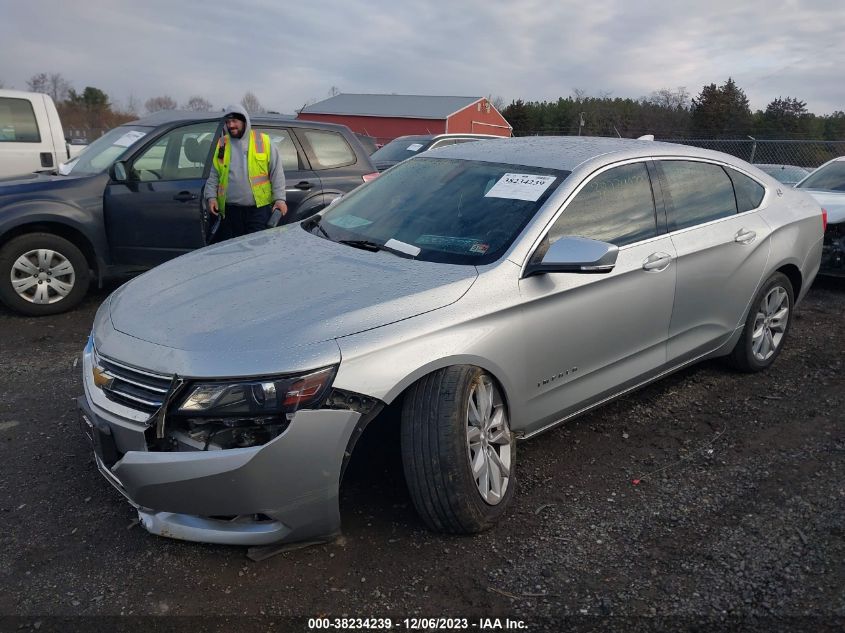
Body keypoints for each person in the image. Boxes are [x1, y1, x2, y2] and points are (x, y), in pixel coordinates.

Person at [204, 105, 287, 241]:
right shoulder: (222, 144)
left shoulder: (263, 141)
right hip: (229, 213)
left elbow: (276, 172)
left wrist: (279, 199)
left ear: (244, 121)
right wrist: (211, 197)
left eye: (235, 121)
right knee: (233, 252)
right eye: (228, 122)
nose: (231, 125)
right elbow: (214, 174)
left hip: (258, 211)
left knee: (256, 251)